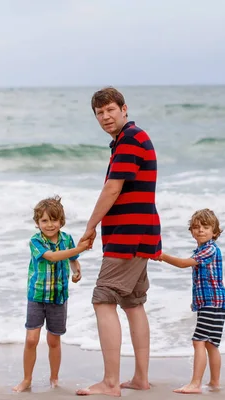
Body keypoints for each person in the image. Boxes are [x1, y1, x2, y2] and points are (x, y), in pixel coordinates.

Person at [76, 87, 162, 397]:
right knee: (133, 303)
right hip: (141, 231)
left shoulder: (129, 140)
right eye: (99, 113)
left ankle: (111, 383)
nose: (105, 117)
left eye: (110, 109)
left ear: (124, 109)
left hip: (128, 233)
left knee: (103, 299)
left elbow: (113, 189)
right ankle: (140, 378)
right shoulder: (129, 139)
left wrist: (90, 226)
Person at [13, 195, 89, 392]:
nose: (49, 225)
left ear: (61, 221)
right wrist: (79, 248)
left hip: (58, 297)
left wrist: (76, 269)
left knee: (53, 340)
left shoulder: (67, 239)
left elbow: (72, 259)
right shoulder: (35, 241)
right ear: (37, 223)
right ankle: (27, 379)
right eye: (44, 220)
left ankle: (54, 378)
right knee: (31, 340)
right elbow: (52, 257)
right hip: (37, 296)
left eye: (53, 220)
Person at [156, 208, 225, 394]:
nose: (201, 230)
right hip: (214, 302)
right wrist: (196, 303)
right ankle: (214, 382)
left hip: (212, 302)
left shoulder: (209, 249)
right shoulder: (202, 249)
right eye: (196, 227)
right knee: (211, 343)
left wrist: (161, 256)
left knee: (199, 341)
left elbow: (182, 264)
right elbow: (201, 281)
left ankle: (195, 384)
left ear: (215, 231)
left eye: (205, 227)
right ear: (191, 231)